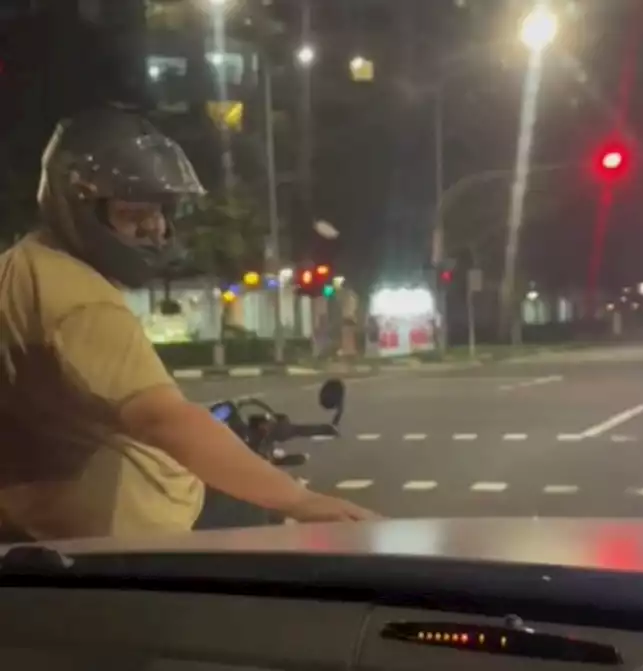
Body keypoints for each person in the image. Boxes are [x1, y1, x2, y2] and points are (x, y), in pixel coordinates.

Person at [0, 106, 378, 541]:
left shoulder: (19, 268)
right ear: (78, 204)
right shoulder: (81, 299)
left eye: (160, 211)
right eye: (133, 213)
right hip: (148, 535)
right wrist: (302, 501)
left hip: (39, 529)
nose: (154, 229)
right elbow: (163, 419)